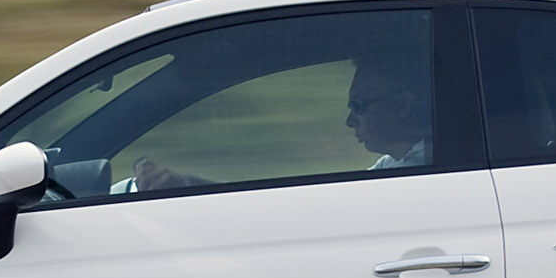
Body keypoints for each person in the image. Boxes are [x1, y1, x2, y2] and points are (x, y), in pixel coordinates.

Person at [124, 51, 429, 193]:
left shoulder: (413, 173)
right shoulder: (393, 166)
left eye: (358, 106)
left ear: (401, 105)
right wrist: (186, 184)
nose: (349, 121)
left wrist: (185, 184)